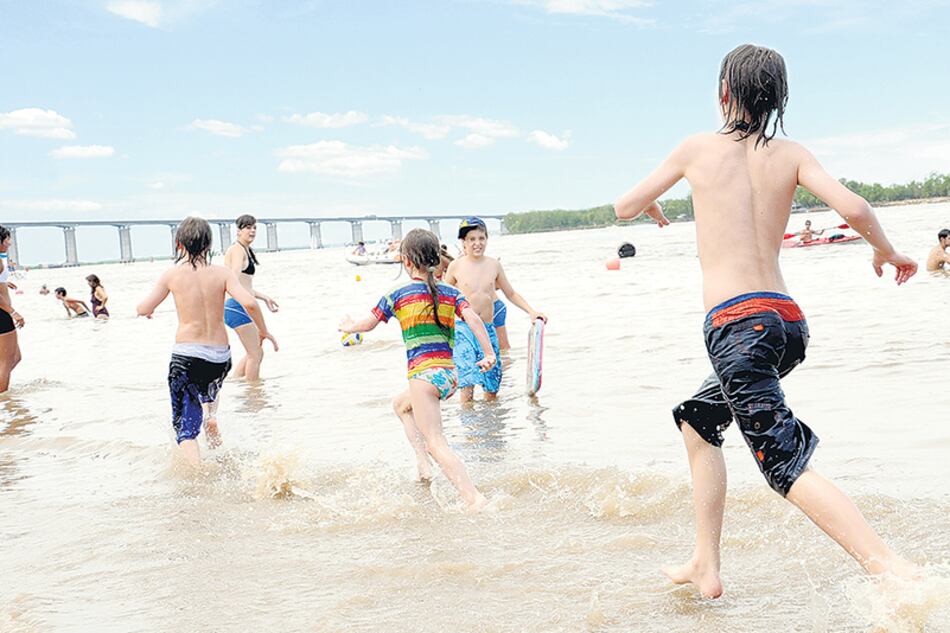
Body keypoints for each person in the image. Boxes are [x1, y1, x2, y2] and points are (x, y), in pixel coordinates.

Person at [614, 44, 918, 599]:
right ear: (776, 98)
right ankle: (705, 563)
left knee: (783, 465)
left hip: (737, 328)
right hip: (786, 324)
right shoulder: (791, 153)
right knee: (697, 419)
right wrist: (886, 250)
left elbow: (624, 206)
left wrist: (653, 205)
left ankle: (890, 567)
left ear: (723, 93)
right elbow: (854, 208)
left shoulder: (696, 148)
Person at [340, 229, 494, 511]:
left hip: (423, 377)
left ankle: (474, 498)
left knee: (436, 442)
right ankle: (424, 466)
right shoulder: (451, 292)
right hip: (449, 376)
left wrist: (349, 326)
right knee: (401, 405)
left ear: (406, 261)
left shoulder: (398, 293)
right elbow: (473, 318)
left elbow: (369, 323)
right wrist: (489, 353)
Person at [137, 217, 271, 466]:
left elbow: (143, 307)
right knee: (208, 401)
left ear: (179, 244)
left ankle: (199, 475)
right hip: (219, 358)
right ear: (209, 245)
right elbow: (250, 303)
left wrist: (146, 310)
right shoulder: (222, 274)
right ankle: (215, 434)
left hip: (187, 356)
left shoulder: (171, 275)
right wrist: (264, 331)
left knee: (185, 428)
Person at [444, 217, 545, 403]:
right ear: (463, 242)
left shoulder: (493, 265)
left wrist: (531, 311)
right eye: (472, 239)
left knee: (492, 383)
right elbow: (443, 296)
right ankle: (468, 420)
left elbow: (510, 293)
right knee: (467, 380)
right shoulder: (455, 266)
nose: (477, 243)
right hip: (464, 329)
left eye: (481, 238)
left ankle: (492, 416)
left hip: (488, 329)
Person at [223, 214, 279, 381]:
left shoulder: (245, 249)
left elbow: (244, 285)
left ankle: (237, 382)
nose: (252, 231)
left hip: (240, 305)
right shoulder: (237, 250)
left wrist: (264, 297)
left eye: (254, 227)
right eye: (248, 227)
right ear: (238, 231)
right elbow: (233, 280)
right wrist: (248, 302)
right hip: (237, 306)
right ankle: (254, 391)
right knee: (256, 353)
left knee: (253, 351)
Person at [0, 226, 24, 393]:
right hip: (2, 313)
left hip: (3, 311)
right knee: (6, 362)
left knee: (15, 357)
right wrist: (13, 312)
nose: (9, 243)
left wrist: (4, 283)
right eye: (7, 239)